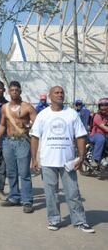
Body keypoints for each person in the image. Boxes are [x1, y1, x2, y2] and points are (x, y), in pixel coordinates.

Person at [31, 86, 94, 233]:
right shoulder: (43, 115)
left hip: (68, 162)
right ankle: (54, 219)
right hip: (48, 161)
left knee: (73, 193)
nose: (60, 95)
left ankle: (79, 221)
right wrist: (34, 159)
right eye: (56, 93)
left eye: (62, 93)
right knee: (51, 193)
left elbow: (80, 136)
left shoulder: (71, 114)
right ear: (50, 96)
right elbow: (34, 137)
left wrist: (81, 157)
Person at [0, 81, 36, 213]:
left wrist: (29, 126)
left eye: (16, 90)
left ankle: (27, 201)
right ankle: (14, 197)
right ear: (9, 92)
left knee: (24, 173)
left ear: (20, 91)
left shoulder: (27, 107)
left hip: (23, 141)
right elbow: (2, 125)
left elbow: (37, 123)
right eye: (12, 90)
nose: (14, 92)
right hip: (8, 142)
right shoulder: (4, 108)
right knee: (11, 172)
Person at [89, 98, 108, 167]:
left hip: (105, 136)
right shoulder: (97, 116)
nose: (104, 107)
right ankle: (96, 160)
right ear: (99, 107)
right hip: (94, 136)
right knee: (101, 138)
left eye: (106, 105)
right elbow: (104, 127)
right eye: (102, 105)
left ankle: (104, 157)